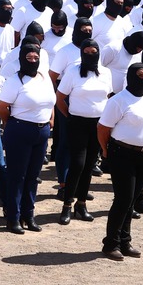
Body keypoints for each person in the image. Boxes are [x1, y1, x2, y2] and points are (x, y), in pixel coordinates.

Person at [98, 64, 143, 261]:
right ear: (131, 77)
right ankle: (110, 244)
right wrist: (106, 150)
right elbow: (103, 128)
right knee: (123, 199)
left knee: (132, 200)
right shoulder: (118, 101)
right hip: (123, 154)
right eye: (139, 75)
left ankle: (125, 242)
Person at [0, 43, 55, 234]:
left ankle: (28, 215)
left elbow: (51, 100)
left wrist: (50, 120)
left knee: (33, 176)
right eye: (29, 58)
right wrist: (11, 122)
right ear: (22, 59)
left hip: (42, 131)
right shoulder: (14, 81)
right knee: (17, 176)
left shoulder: (44, 77)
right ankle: (13, 217)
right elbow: (1, 107)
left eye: (36, 58)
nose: (33, 61)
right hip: (20, 130)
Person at [55, 39, 113, 225]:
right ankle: (67, 205)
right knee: (77, 164)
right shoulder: (72, 72)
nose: (90, 55)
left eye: (94, 52)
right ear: (81, 54)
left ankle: (81, 205)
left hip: (97, 124)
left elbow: (108, 96)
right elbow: (60, 98)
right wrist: (69, 116)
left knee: (89, 165)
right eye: (86, 52)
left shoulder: (106, 72)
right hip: (77, 122)